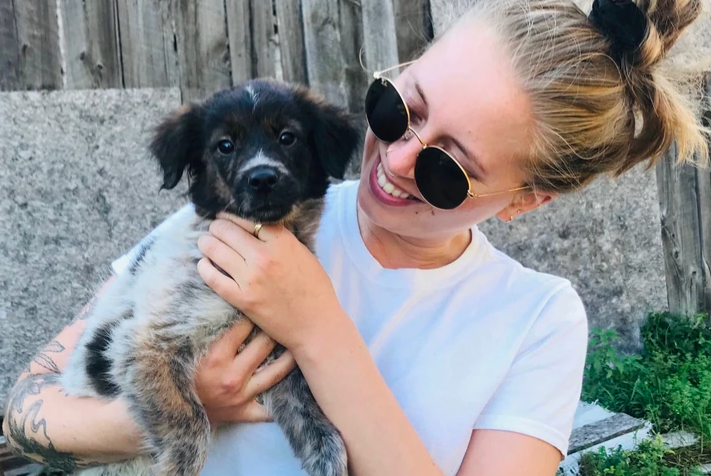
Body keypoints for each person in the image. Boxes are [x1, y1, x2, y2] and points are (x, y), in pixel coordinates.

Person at [4, 0, 708, 474]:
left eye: (447, 167)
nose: (397, 159)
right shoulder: (232, 226)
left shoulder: (536, 320)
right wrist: (179, 414)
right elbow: (27, 405)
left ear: (525, 200)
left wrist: (317, 328)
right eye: (399, 106)